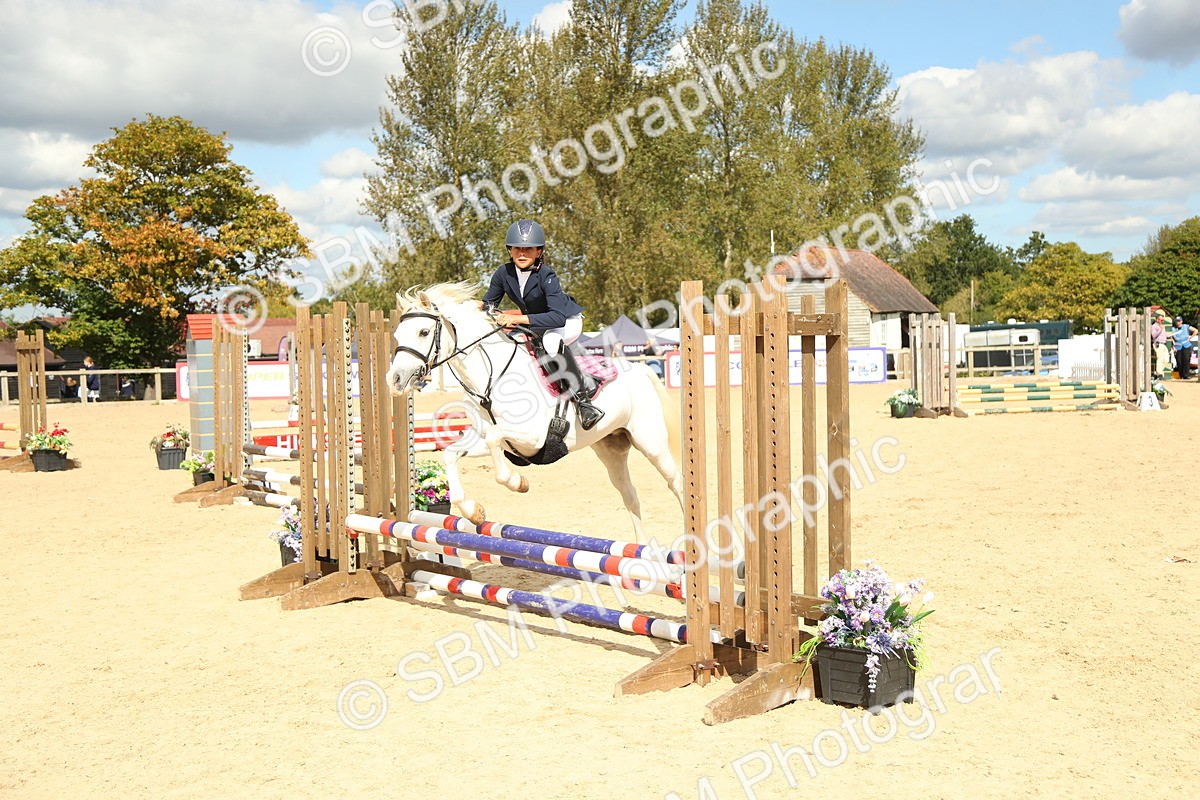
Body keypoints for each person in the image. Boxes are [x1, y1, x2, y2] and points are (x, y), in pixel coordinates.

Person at [482, 219, 604, 431]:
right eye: (517, 248)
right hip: (538, 323)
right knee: (515, 342)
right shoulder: (503, 273)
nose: (522, 253)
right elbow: (488, 304)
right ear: (509, 250)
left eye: (528, 249)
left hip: (566, 321)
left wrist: (517, 319)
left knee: (550, 340)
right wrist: (473, 305)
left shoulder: (547, 275)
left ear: (538, 252)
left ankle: (585, 403)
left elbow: (556, 318)